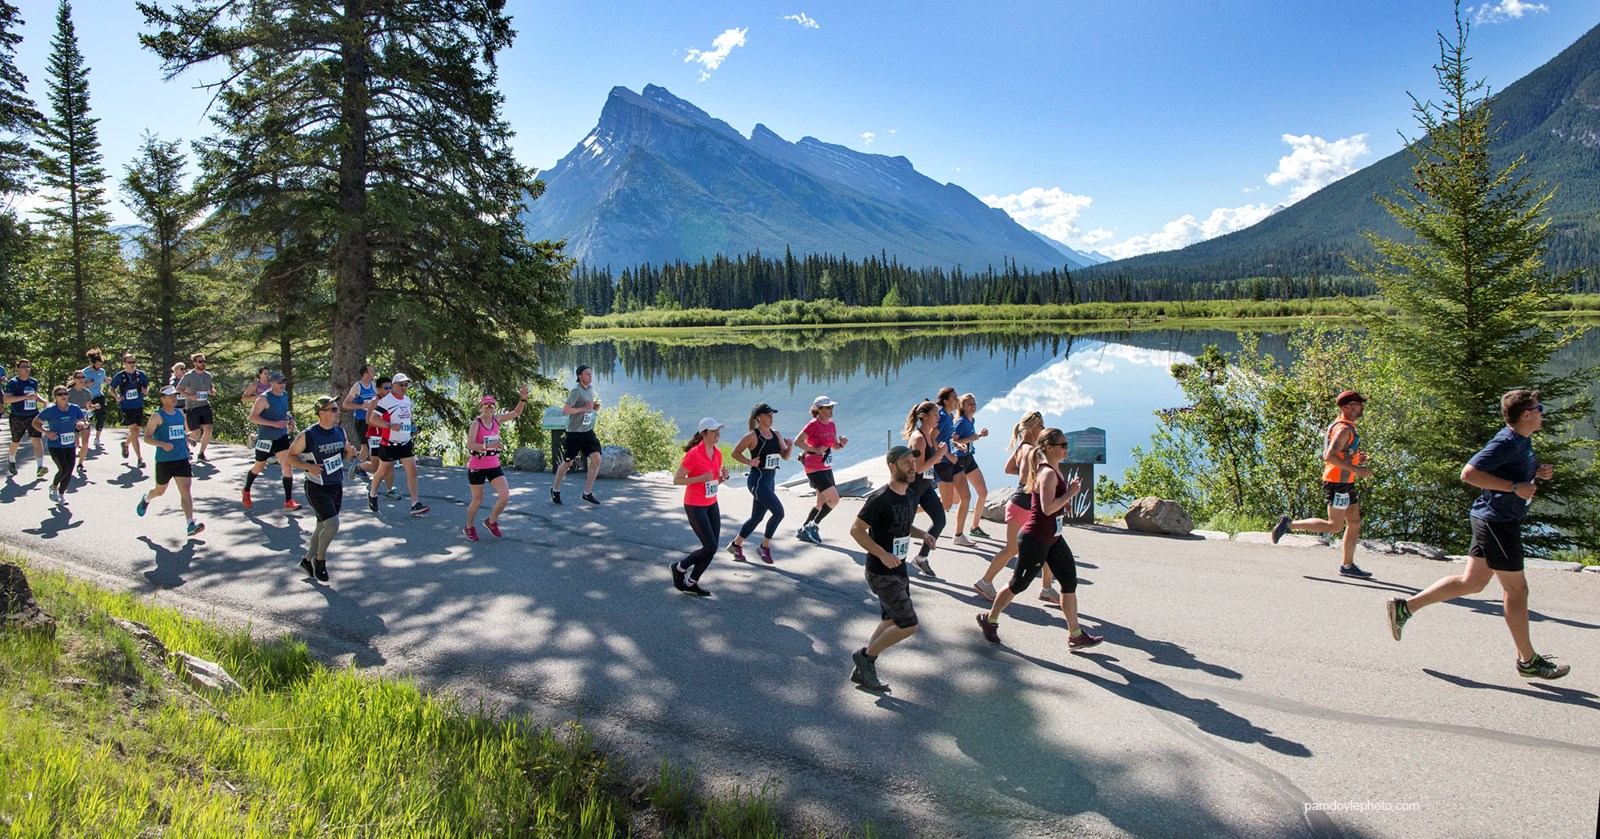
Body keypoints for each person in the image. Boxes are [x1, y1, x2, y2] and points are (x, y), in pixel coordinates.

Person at [1386, 390, 1569, 680]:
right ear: (1526, 415)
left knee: (1471, 583)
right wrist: (1513, 488)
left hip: (1492, 519)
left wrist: (1537, 471)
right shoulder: (1506, 441)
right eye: (1539, 408)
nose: (1542, 412)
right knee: (1517, 591)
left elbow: (1514, 468)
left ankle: (1405, 608)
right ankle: (1528, 660)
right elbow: (1469, 473)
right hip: (1498, 523)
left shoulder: (1522, 440)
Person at [976, 427, 1104, 650]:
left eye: (1067, 445)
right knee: (1018, 584)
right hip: (1035, 538)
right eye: (1063, 445)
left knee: (1069, 582)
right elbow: (1047, 509)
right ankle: (990, 620)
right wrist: (1070, 494)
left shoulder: (1055, 469)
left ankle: (1075, 634)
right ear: (1049, 448)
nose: (1066, 449)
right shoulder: (1047, 474)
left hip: (1054, 537)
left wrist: (1066, 499)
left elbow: (1055, 505)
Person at [848, 445, 931, 693]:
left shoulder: (908, 495)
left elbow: (902, 526)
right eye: (906, 463)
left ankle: (865, 667)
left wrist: (922, 534)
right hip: (881, 572)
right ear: (892, 466)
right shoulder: (880, 498)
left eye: (913, 462)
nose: (912, 467)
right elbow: (856, 530)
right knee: (908, 624)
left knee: (891, 619)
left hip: (899, 569)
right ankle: (865, 657)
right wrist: (882, 554)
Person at [1271, 390, 1374, 578]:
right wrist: (1357, 470)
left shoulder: (1346, 426)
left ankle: (1348, 566)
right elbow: (1329, 456)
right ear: (1347, 407)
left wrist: (1357, 459)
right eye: (1358, 404)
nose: (1362, 407)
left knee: (1354, 522)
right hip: (1338, 483)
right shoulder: (1343, 429)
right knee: (1334, 526)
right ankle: (1289, 525)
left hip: (1345, 483)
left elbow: (1343, 454)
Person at [973, 412, 1059, 603]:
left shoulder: (1022, 448)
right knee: (1045, 545)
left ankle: (986, 582)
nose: (1044, 429)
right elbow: (1036, 478)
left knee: (1019, 548)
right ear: (1033, 428)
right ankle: (1045, 587)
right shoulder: (1034, 452)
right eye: (1041, 425)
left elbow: (1009, 469)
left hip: (1017, 502)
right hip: (1029, 505)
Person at [287, 396, 354, 582]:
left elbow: (345, 458)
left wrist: (350, 452)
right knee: (332, 525)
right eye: (333, 409)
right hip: (316, 487)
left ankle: (307, 561)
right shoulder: (308, 435)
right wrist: (308, 467)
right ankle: (320, 560)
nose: (337, 412)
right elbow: (290, 457)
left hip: (335, 485)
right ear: (321, 412)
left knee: (322, 526)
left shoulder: (340, 432)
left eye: (337, 409)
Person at [670, 418, 728, 596]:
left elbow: (713, 480)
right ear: (704, 433)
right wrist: (699, 478)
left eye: (718, 430)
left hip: (711, 503)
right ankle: (679, 567)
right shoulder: (694, 454)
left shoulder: (717, 453)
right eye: (713, 431)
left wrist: (722, 478)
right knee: (709, 546)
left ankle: (691, 582)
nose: (717, 433)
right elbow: (677, 480)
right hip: (695, 505)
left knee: (713, 547)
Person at [135, 386, 204, 537]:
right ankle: (147, 498)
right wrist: (162, 444)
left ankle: (190, 524)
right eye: (170, 396)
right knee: (160, 491)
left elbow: (181, 431)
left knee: (186, 491)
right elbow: (147, 437)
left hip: (181, 458)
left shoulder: (180, 413)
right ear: (162, 399)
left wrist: (188, 438)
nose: (174, 398)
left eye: (175, 395)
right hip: (164, 460)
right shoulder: (157, 416)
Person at [463, 386, 529, 541]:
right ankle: (469, 527)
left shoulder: (497, 420)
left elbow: (516, 413)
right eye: (486, 405)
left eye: (491, 405)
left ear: (494, 408)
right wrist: (487, 446)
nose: (488, 407)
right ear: (481, 407)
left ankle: (491, 522)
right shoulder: (476, 424)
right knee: (477, 499)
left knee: (505, 495)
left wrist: (523, 398)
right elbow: (470, 445)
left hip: (493, 464)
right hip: (477, 466)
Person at [728, 403, 791, 564]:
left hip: (769, 482)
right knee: (779, 513)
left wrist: (789, 446)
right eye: (768, 415)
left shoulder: (777, 434)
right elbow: (735, 453)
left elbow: (785, 456)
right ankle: (765, 547)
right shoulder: (752, 436)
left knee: (756, 517)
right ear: (759, 417)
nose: (771, 418)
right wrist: (750, 462)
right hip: (757, 482)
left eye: (772, 415)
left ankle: (736, 544)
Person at [366, 372, 428, 516]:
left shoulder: (407, 399)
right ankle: (373, 493)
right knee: (382, 471)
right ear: (393, 385)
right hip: (389, 444)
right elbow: (373, 419)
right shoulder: (386, 401)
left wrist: (413, 426)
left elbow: (408, 417)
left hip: (405, 442)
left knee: (412, 472)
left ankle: (415, 504)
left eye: (406, 385)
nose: (404, 387)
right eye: (401, 384)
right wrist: (389, 426)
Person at [901, 400, 948, 577]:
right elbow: (918, 468)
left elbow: (933, 461)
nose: (938, 417)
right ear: (924, 416)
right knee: (904, 528)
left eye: (938, 413)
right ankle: (892, 559)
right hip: (912, 488)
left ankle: (921, 558)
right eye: (935, 413)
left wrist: (944, 455)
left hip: (925, 488)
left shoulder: (929, 436)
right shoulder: (919, 438)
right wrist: (938, 455)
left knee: (940, 520)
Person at [244, 371, 300, 512]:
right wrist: (274, 424)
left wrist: (290, 419)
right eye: (279, 382)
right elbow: (252, 418)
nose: (282, 385)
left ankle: (288, 501)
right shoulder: (263, 399)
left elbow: (284, 412)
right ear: (272, 383)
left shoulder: (284, 395)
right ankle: (246, 490)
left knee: (287, 466)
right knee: (259, 467)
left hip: (281, 436)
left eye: (284, 382)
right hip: (265, 438)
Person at [796, 395, 848, 544]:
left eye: (832, 407)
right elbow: (798, 441)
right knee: (834, 499)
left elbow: (834, 446)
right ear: (818, 409)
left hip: (826, 466)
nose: (831, 410)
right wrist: (814, 449)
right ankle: (813, 526)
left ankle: (804, 528)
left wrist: (842, 444)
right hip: (813, 467)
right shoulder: (813, 424)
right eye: (828, 407)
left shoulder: (831, 425)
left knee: (821, 501)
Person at [551, 365, 602, 505]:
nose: (590, 377)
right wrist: (583, 409)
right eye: (587, 374)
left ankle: (587, 493)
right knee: (568, 463)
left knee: (597, 459)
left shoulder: (590, 388)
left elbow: (588, 408)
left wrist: (593, 408)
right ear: (580, 376)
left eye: (591, 374)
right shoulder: (576, 391)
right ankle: (555, 489)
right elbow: (566, 410)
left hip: (587, 431)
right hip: (574, 433)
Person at [33, 386, 86, 505]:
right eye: (60, 394)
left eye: (65, 394)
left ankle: (61, 494)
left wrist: (81, 423)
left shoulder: (74, 408)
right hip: (55, 445)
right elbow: (35, 422)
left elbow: (83, 420)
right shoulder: (50, 410)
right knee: (64, 469)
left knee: (70, 470)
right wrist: (47, 432)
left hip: (70, 445)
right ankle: (53, 487)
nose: (64, 396)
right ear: (55, 397)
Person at [950, 392, 991, 546]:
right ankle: (916, 511)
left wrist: (979, 435)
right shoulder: (960, 421)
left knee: (983, 492)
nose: (973, 406)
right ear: (962, 406)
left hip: (969, 460)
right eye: (969, 404)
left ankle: (974, 527)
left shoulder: (971, 419)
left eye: (974, 403)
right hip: (959, 461)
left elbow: (970, 438)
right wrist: (972, 438)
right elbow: (953, 441)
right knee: (951, 501)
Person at [5, 358, 45, 479]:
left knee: (37, 440)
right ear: (17, 369)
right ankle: (11, 460)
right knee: (16, 441)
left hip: (33, 415)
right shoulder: (13, 382)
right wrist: (24, 397)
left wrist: (43, 401)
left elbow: (35, 394)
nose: (26, 369)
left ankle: (40, 467)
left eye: (28, 366)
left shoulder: (33, 382)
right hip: (18, 416)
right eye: (23, 366)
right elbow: (7, 399)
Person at [108, 354, 150, 468]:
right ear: (124, 363)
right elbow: (111, 388)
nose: (132, 364)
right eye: (129, 362)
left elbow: (146, 388)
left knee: (136, 430)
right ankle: (140, 459)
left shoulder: (141, 375)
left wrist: (145, 391)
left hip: (138, 405)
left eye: (133, 362)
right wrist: (116, 396)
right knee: (135, 432)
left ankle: (125, 444)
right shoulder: (120, 376)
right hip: (126, 407)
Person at [177, 353, 215, 462]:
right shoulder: (189, 375)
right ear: (194, 363)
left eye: (204, 361)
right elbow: (179, 389)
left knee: (208, 429)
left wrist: (212, 391)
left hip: (204, 404)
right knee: (196, 433)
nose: (203, 363)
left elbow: (211, 387)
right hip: (192, 407)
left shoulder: (208, 375)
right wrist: (189, 396)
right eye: (200, 361)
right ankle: (185, 442)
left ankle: (201, 453)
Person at [342, 363, 380, 472]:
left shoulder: (374, 385)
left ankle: (364, 466)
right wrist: (361, 406)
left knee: (371, 445)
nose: (374, 373)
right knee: (365, 446)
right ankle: (359, 468)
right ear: (365, 373)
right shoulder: (358, 387)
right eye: (372, 371)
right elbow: (346, 404)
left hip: (372, 419)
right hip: (361, 420)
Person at [933, 386, 963, 515]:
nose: (957, 400)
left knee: (956, 499)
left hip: (950, 460)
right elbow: (931, 437)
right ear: (945, 401)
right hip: (942, 463)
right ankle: (913, 511)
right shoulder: (943, 417)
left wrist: (956, 444)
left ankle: (927, 503)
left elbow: (945, 437)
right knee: (947, 504)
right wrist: (946, 453)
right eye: (954, 398)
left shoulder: (950, 416)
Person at [64, 372, 93, 475]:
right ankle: (68, 463)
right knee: (75, 444)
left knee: (85, 443)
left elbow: (88, 406)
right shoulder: (68, 392)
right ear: (74, 379)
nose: (81, 379)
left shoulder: (87, 392)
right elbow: (63, 405)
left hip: (84, 419)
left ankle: (80, 464)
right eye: (78, 377)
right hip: (71, 420)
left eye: (83, 377)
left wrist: (95, 406)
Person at [81, 349, 107, 449]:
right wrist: (87, 384)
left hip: (99, 396)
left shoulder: (102, 371)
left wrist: (107, 381)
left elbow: (103, 380)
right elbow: (79, 385)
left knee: (101, 417)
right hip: (88, 397)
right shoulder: (85, 372)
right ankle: (83, 438)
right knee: (87, 418)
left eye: (100, 364)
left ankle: (97, 439)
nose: (99, 366)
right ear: (92, 363)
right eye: (97, 364)